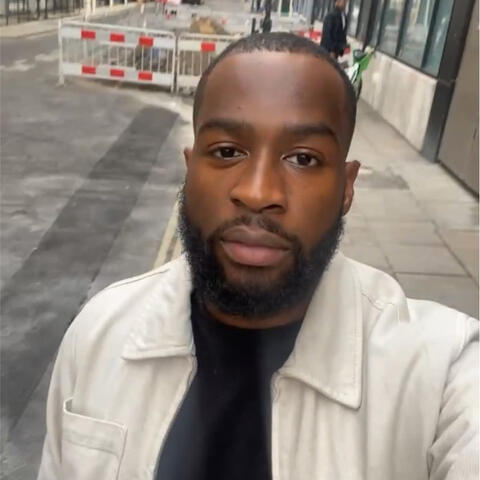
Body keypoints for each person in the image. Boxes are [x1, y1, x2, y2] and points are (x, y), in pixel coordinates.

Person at [37, 33, 478, 480]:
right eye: (227, 152)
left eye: (303, 159)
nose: (257, 191)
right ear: (190, 168)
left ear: (347, 187)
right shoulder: (98, 335)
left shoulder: (441, 371)